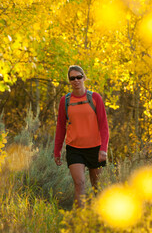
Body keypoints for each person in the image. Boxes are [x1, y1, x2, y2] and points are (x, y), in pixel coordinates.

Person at [54, 65, 109, 208]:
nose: (76, 80)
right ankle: (80, 222)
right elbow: (60, 127)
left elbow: (104, 126)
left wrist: (103, 149)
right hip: (74, 149)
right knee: (79, 184)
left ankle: (100, 217)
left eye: (79, 77)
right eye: (72, 78)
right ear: (69, 81)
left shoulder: (95, 97)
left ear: (84, 78)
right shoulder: (64, 101)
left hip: (95, 149)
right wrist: (57, 151)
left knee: (97, 186)